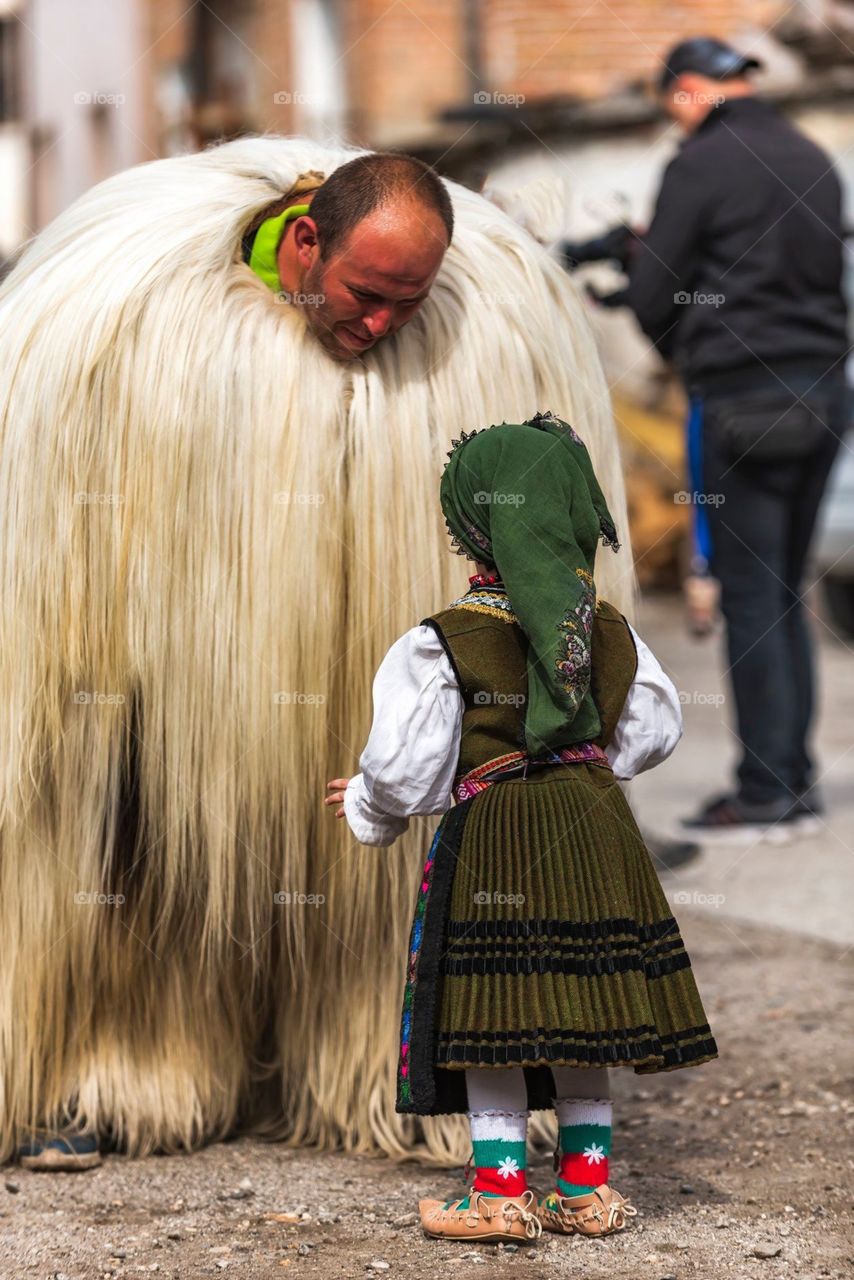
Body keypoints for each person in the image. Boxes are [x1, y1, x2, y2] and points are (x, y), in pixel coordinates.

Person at [0, 138, 632, 1173]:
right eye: (363, 294)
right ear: (301, 243)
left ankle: (403, 1064)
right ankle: (118, 1064)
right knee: (139, 837)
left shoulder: (492, 332)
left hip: (367, 698)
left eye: (410, 305)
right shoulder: (122, 319)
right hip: (159, 682)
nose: (380, 327)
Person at [327, 413, 717, 1244]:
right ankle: (587, 1188)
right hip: (594, 826)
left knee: (493, 1015)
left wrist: (367, 804)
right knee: (581, 1005)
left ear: (473, 526)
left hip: (498, 832)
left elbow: (406, 768)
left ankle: (500, 1192)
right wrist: (583, 762)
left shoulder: (443, 644)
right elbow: (651, 730)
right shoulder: (609, 629)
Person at [623, 37, 849, 839]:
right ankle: (794, 781)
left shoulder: (701, 163)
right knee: (786, 591)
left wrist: (687, 352)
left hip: (745, 400)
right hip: (826, 395)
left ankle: (764, 793)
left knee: (753, 595)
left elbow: (653, 288)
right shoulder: (811, 155)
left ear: (688, 91)